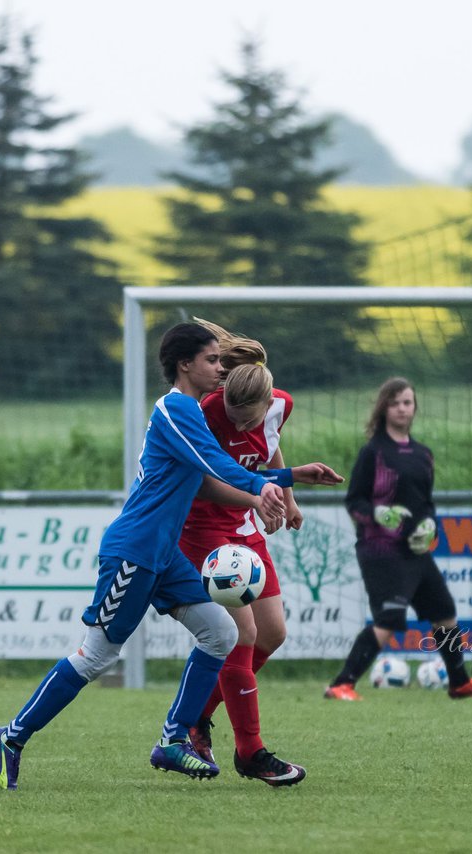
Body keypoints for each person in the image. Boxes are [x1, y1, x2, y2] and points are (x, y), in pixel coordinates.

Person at [0, 322, 289, 791]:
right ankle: (10, 737)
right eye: (211, 360)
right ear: (185, 365)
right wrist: (262, 484)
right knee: (96, 657)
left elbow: (209, 475)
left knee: (220, 632)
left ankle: (172, 739)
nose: (220, 368)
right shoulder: (176, 409)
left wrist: (283, 480)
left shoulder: (189, 411)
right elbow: (214, 462)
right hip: (135, 552)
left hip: (163, 556)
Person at [179, 319, 344, 788]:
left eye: (246, 416)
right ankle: (251, 751)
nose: (239, 421)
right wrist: (269, 493)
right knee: (242, 632)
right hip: (203, 527)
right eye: (232, 411)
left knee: (273, 633)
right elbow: (210, 478)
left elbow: (270, 450)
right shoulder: (209, 408)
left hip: (244, 525)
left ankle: (194, 718)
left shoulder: (279, 406)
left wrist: (288, 500)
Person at [324, 377, 472, 701]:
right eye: (395, 403)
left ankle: (460, 682)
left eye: (408, 402)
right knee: (389, 618)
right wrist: (379, 514)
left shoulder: (423, 454)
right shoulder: (373, 452)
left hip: (415, 551)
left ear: (415, 407)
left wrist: (431, 528)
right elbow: (355, 502)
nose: (402, 408)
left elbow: (427, 504)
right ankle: (341, 684)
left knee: (444, 611)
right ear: (384, 408)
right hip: (380, 549)